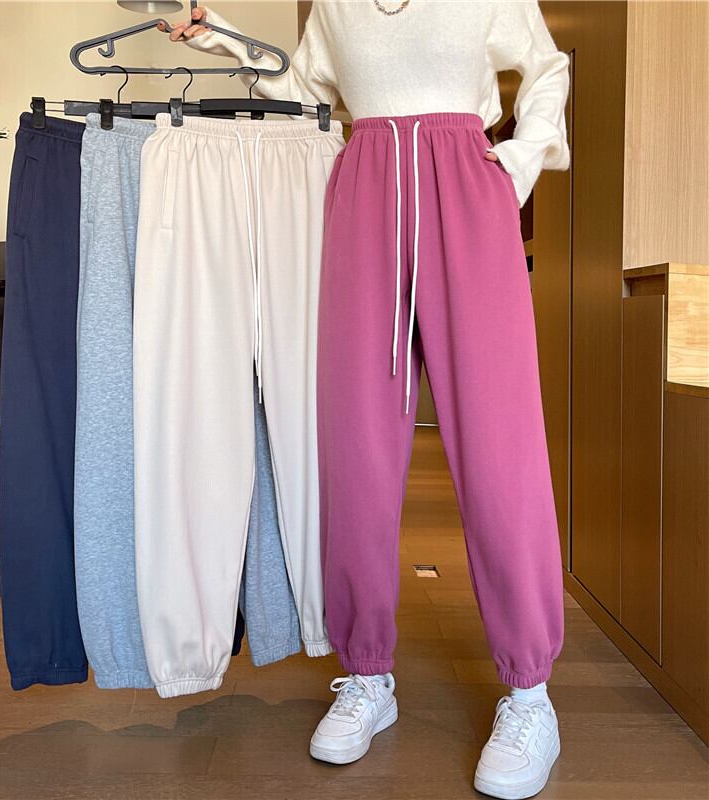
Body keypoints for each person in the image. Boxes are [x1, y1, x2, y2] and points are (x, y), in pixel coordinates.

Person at [164, 3, 569, 797]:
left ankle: (530, 693)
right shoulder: (337, 5)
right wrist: (223, 38)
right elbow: (302, 85)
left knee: (501, 450)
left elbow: (547, 65)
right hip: (364, 190)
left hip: (468, 187)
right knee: (353, 450)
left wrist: (520, 160)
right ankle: (367, 674)